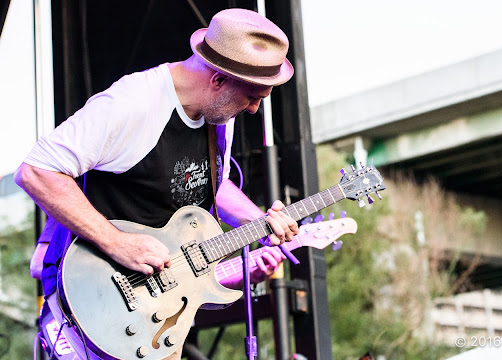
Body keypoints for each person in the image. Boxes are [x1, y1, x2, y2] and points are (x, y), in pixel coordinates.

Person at [16, 8, 298, 360]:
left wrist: (256, 219)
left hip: (158, 318)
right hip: (97, 304)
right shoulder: (133, 103)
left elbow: (208, 183)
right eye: (252, 96)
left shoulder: (218, 114)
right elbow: (36, 170)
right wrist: (116, 242)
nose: (255, 108)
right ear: (218, 79)